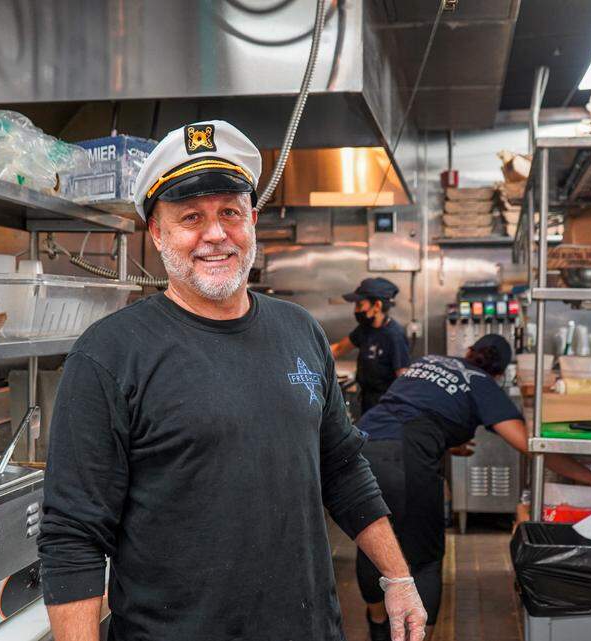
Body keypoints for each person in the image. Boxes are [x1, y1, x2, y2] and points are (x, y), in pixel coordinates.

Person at [37, 120, 428, 641]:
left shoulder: (300, 332)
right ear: (156, 232)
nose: (216, 234)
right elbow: (73, 534)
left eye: (229, 212)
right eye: (190, 217)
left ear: (252, 220)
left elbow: (343, 468)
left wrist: (397, 576)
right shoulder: (109, 354)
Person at [353, 334, 591, 641]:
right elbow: (532, 446)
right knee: (425, 558)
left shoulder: (427, 361)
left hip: (360, 447)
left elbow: (413, 409)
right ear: (500, 371)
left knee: (373, 540)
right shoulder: (483, 384)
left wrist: (443, 442)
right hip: (405, 457)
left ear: (469, 351)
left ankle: (377, 628)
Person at [331, 278, 412, 414]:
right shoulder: (365, 329)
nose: (356, 310)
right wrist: (309, 354)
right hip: (367, 401)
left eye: (360, 305)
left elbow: (403, 378)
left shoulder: (394, 335)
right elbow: (339, 349)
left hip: (387, 406)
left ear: (377, 306)